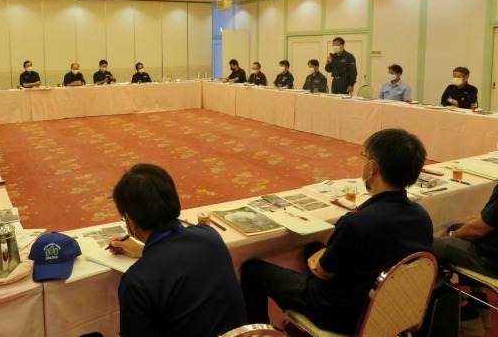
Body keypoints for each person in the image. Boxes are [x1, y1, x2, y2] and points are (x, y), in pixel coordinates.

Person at [241, 128, 433, 335]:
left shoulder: (356, 223)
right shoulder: (421, 216)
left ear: (372, 168)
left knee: (253, 270)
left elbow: (324, 273)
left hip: (341, 315)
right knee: (314, 247)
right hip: (388, 309)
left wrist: (321, 262)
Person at [108, 164, 247, 337]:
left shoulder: (136, 281)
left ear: (129, 219)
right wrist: (144, 250)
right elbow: (177, 260)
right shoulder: (209, 236)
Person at [432, 184, 498, 335]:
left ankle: (467, 314)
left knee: (423, 246)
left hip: (490, 260)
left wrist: (452, 236)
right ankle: (480, 304)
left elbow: (477, 230)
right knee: (456, 227)